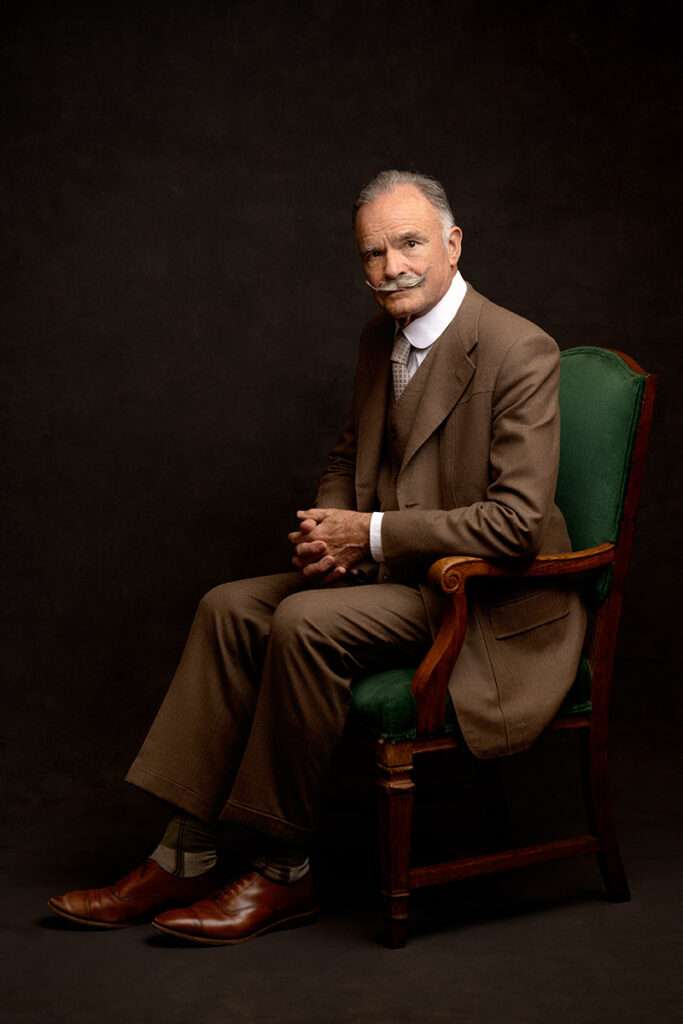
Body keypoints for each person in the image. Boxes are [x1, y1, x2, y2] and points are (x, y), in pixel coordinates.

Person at [49, 170, 586, 945]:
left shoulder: (516, 347)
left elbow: (516, 524)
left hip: (484, 597)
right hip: (395, 574)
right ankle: (184, 853)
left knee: (303, 621)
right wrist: (325, 526)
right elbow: (349, 453)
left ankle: (282, 871)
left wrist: (364, 535)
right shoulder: (381, 338)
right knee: (228, 605)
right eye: (372, 253)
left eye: (408, 243)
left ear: (452, 243)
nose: (391, 266)